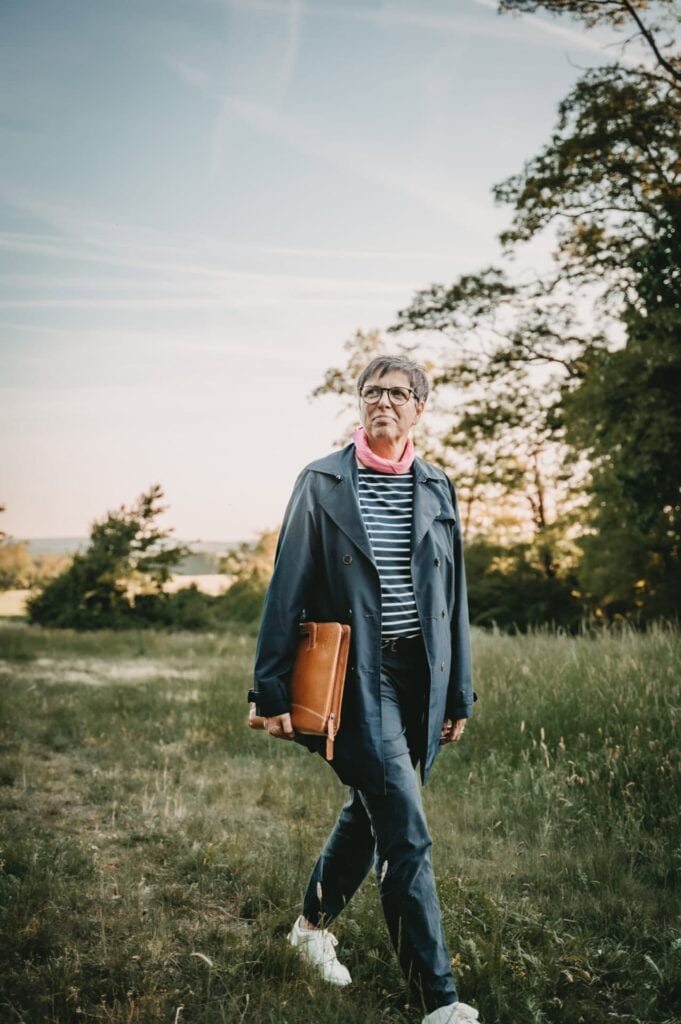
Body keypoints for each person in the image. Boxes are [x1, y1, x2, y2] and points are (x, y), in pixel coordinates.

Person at [248, 355, 478, 1024]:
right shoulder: (321, 481)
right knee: (404, 828)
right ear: (359, 404)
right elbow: (285, 583)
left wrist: (456, 693)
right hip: (357, 676)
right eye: (372, 392)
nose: (383, 402)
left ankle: (309, 930)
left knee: (370, 809)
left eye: (398, 394)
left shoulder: (437, 485)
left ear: (418, 409)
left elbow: (453, 595)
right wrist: (268, 690)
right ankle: (437, 999)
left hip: (421, 677)